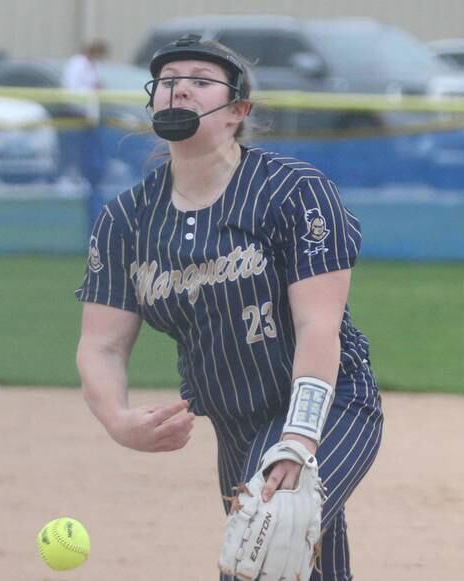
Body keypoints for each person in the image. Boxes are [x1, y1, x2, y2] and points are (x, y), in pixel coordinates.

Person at [75, 34, 383, 580]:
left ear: (237, 110)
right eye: (168, 82)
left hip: (329, 406)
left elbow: (319, 325)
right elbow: (101, 344)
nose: (180, 91)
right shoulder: (126, 220)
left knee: (260, 554)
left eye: (199, 82)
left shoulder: (292, 192)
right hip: (235, 425)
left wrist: (299, 439)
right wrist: (117, 419)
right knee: (304, 567)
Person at [62, 39, 110, 223]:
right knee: (80, 163)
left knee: (95, 168)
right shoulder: (77, 64)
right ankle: (71, 182)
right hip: (78, 120)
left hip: (91, 119)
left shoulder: (91, 66)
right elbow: (72, 91)